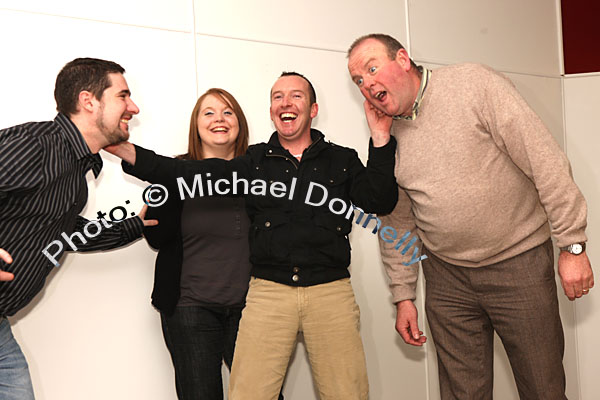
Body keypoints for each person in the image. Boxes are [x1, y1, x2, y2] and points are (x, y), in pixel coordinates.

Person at [105, 71, 398, 400]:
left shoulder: (342, 159)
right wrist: (122, 149)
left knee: (347, 393)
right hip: (265, 295)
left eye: (296, 96)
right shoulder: (253, 162)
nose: (285, 103)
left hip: (329, 292)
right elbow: (184, 172)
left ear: (313, 109)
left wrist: (380, 136)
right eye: (277, 97)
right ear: (271, 110)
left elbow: (379, 200)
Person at [347, 33, 594, 399]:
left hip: (518, 264)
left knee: (543, 389)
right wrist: (403, 296)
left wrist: (572, 245)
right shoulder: (387, 136)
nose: (367, 84)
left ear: (402, 59)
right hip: (447, 280)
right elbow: (398, 223)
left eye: (371, 69)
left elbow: (544, 160)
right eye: (358, 80)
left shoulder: (473, 84)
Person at [0, 58, 156, 400]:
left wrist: (136, 226)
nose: (133, 107)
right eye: (123, 96)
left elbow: (66, 235)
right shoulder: (36, 144)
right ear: (89, 101)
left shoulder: (75, 169)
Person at [144, 88, 282, 400]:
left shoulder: (261, 173)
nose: (219, 119)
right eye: (208, 112)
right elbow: (156, 237)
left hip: (254, 308)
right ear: (196, 125)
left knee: (265, 395)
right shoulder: (173, 173)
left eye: (228, 112)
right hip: (189, 309)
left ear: (240, 124)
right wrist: (155, 205)